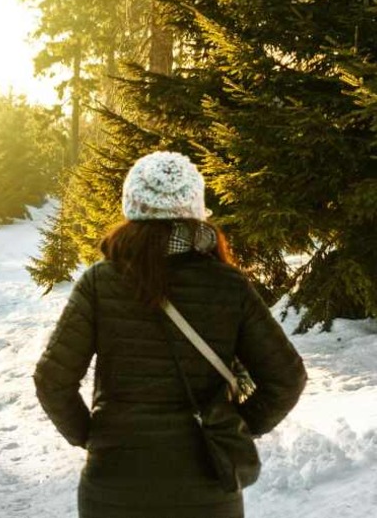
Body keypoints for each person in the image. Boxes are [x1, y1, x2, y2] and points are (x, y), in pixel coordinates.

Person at [34, 151, 306, 518]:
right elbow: (287, 378)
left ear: (132, 207)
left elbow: (52, 379)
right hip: (207, 487)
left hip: (114, 486)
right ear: (195, 209)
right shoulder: (229, 285)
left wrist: (91, 436)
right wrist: (235, 427)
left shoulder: (99, 282)